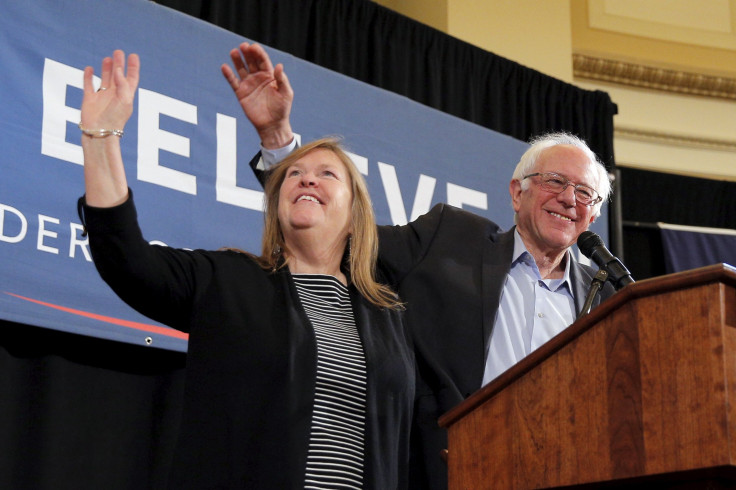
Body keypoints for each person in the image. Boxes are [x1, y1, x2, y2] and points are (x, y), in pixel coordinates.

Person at [223, 43, 618, 489]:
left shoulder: (605, 295)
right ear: (517, 192)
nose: (569, 199)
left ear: (594, 212)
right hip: (449, 470)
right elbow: (340, 235)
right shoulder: (449, 237)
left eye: (585, 194)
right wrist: (279, 141)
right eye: (555, 182)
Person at [78, 50, 415, 489]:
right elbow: (126, 261)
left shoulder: (389, 312)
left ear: (356, 214)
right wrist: (101, 138)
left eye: (327, 174)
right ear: (276, 205)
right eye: (293, 174)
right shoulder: (229, 282)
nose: (307, 180)